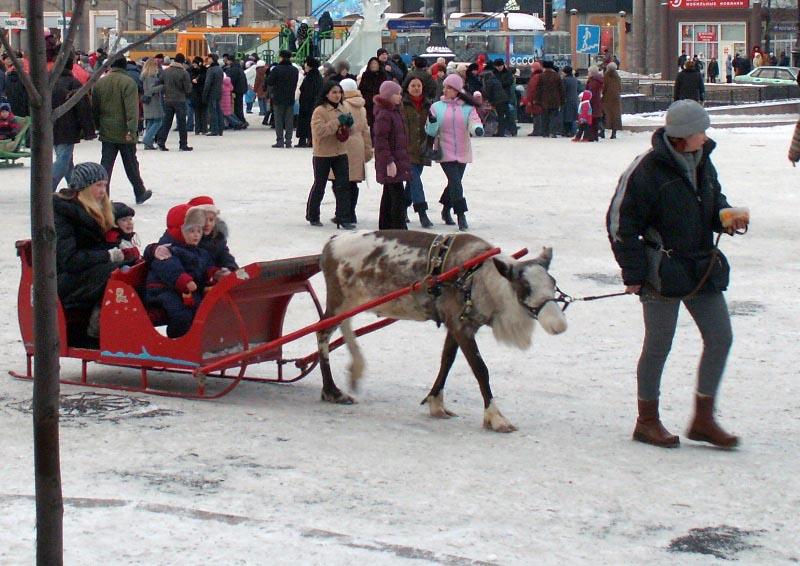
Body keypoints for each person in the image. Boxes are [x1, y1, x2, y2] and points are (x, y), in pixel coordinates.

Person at [606, 99, 747, 449]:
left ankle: (703, 418)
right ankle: (647, 421)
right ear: (684, 134)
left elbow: (712, 203)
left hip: (701, 267)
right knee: (658, 346)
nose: (705, 135)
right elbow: (620, 224)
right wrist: (634, 272)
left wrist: (726, 216)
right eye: (701, 130)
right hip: (661, 272)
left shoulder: (703, 162)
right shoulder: (646, 170)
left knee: (720, 337)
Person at [53, 163, 129, 340]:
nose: (103, 191)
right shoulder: (65, 213)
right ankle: (99, 321)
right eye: (98, 185)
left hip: (84, 271)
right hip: (64, 279)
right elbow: (69, 259)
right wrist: (107, 255)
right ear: (84, 188)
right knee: (117, 273)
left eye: (105, 185)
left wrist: (120, 244)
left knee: (131, 267)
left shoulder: (96, 210)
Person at [146, 205, 216, 339]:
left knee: (202, 308)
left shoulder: (198, 251)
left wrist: (214, 275)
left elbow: (207, 267)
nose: (196, 235)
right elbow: (168, 267)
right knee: (182, 315)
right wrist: (183, 280)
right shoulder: (166, 249)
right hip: (162, 290)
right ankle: (177, 339)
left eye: (199, 231)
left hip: (184, 291)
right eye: (191, 231)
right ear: (179, 231)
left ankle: (198, 338)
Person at [425, 73, 484, 231]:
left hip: (463, 151)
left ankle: (445, 209)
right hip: (445, 151)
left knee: (454, 183)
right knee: (456, 182)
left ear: (457, 90)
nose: (445, 90)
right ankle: (461, 215)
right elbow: (431, 131)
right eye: (444, 87)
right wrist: (431, 123)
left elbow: (474, 121)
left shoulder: (467, 107)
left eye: (449, 87)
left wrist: (477, 129)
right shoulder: (436, 107)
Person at [92, 56, 152, 205]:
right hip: (125, 131)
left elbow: (95, 107)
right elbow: (132, 109)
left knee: (106, 164)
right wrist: (132, 130)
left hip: (107, 129)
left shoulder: (101, 82)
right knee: (131, 163)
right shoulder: (128, 83)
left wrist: (97, 125)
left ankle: (103, 196)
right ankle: (139, 191)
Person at [305, 81, 352, 228]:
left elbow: (348, 129)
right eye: (334, 92)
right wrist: (337, 122)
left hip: (341, 152)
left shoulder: (344, 108)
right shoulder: (320, 111)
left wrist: (348, 125)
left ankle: (343, 217)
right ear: (326, 94)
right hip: (323, 154)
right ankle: (313, 215)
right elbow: (320, 132)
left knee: (343, 185)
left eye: (339, 92)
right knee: (320, 185)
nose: (337, 95)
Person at [51, 57, 96, 190]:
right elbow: (83, 108)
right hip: (67, 127)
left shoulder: (48, 82)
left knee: (66, 160)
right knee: (63, 161)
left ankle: (76, 187)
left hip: (50, 126)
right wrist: (89, 130)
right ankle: (47, 187)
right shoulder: (73, 83)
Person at [373, 80, 411, 230]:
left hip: (397, 160)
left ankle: (386, 226)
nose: (400, 97)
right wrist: (389, 161)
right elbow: (381, 141)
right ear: (389, 96)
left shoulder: (394, 111)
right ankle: (398, 227)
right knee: (397, 196)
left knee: (390, 194)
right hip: (391, 161)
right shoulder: (385, 114)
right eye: (397, 94)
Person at [334, 78, 372, 225]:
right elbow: (365, 130)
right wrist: (368, 149)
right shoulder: (361, 107)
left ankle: (342, 212)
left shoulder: (342, 106)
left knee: (339, 181)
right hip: (358, 144)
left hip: (343, 144)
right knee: (353, 182)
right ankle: (352, 212)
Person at [401, 76, 434, 227]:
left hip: (423, 149)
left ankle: (402, 207)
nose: (416, 88)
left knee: (411, 182)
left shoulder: (429, 105)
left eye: (418, 85)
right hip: (407, 149)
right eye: (413, 85)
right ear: (407, 88)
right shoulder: (402, 104)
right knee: (415, 181)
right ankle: (422, 213)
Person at [186, 195, 238, 270]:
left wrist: (231, 268)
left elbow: (224, 255)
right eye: (203, 219)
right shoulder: (186, 240)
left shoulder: (217, 238)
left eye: (211, 220)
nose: (208, 224)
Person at [155, 53, 193, 151]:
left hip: (167, 99)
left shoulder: (166, 71)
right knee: (182, 123)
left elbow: (159, 83)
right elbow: (188, 89)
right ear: (182, 61)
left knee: (166, 122)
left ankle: (161, 142)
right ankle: (183, 144)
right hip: (180, 100)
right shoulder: (184, 73)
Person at [266, 50, 300, 148]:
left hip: (278, 98)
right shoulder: (294, 70)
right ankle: (288, 140)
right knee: (289, 120)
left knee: (278, 120)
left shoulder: (276, 69)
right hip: (290, 98)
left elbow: (270, 81)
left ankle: (280, 140)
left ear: (281, 57)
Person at [297, 56, 323, 148]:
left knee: (306, 122)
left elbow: (306, 90)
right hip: (313, 103)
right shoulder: (317, 76)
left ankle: (305, 140)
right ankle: (310, 140)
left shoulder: (310, 76)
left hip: (307, 103)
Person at [140, 57, 164, 151]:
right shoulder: (151, 77)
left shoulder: (144, 76)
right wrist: (162, 86)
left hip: (147, 101)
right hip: (153, 101)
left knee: (150, 121)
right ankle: (147, 139)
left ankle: (148, 143)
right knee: (158, 121)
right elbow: (151, 90)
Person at [536, 60, 564, 138]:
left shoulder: (541, 76)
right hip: (555, 100)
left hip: (544, 100)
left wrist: (537, 100)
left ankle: (545, 132)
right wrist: (562, 100)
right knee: (554, 116)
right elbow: (561, 89)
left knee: (544, 116)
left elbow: (538, 89)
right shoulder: (557, 76)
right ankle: (553, 132)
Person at [358, 57, 387, 131]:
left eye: (375, 63)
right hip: (368, 104)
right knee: (370, 125)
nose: (373, 65)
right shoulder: (365, 75)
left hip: (380, 103)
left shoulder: (382, 75)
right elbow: (361, 89)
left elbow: (386, 89)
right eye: (372, 64)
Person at [203, 53, 225, 137]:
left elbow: (207, 83)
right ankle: (220, 129)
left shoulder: (211, 70)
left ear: (212, 59)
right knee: (219, 111)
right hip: (218, 92)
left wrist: (204, 94)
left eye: (208, 58)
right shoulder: (219, 69)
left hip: (211, 93)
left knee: (212, 112)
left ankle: (214, 130)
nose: (207, 60)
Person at [602, 62, 622, 139]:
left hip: (607, 98)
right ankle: (614, 133)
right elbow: (620, 88)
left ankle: (602, 131)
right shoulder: (617, 77)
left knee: (605, 114)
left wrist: (602, 94)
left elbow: (604, 87)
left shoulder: (606, 76)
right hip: (616, 99)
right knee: (615, 116)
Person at [523, 61, 543, 136]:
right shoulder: (541, 75)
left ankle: (537, 130)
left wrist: (530, 100)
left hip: (535, 100)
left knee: (536, 115)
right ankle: (539, 130)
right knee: (539, 115)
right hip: (540, 99)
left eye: (532, 68)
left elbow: (532, 89)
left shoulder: (535, 77)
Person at [189, 56, 207, 134]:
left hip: (202, 93)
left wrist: (197, 79)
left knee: (203, 112)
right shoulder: (192, 70)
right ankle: (197, 129)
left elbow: (204, 79)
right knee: (197, 112)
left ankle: (203, 129)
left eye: (195, 63)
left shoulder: (204, 71)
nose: (194, 65)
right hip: (195, 93)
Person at [586, 65, 604, 141]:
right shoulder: (598, 80)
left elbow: (590, 93)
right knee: (595, 120)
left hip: (592, 102)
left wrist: (587, 101)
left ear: (592, 73)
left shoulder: (593, 82)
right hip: (597, 102)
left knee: (591, 120)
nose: (588, 73)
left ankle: (591, 136)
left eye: (589, 72)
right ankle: (595, 136)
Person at [561, 66, 580, 137]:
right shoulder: (575, 80)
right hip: (574, 99)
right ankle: (572, 131)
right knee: (572, 117)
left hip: (567, 100)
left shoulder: (565, 80)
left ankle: (567, 131)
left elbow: (563, 91)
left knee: (567, 117)